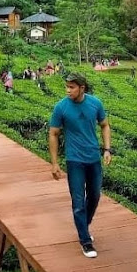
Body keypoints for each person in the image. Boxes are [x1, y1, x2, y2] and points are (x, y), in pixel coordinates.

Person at [48, 73, 111, 259]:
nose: (68, 90)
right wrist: (54, 163)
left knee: (94, 196)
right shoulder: (61, 107)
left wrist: (107, 149)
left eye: (72, 87)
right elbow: (53, 133)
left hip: (93, 159)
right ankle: (85, 240)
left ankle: (83, 225)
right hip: (74, 160)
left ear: (82, 88)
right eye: (66, 87)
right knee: (77, 201)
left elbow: (105, 125)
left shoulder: (95, 104)